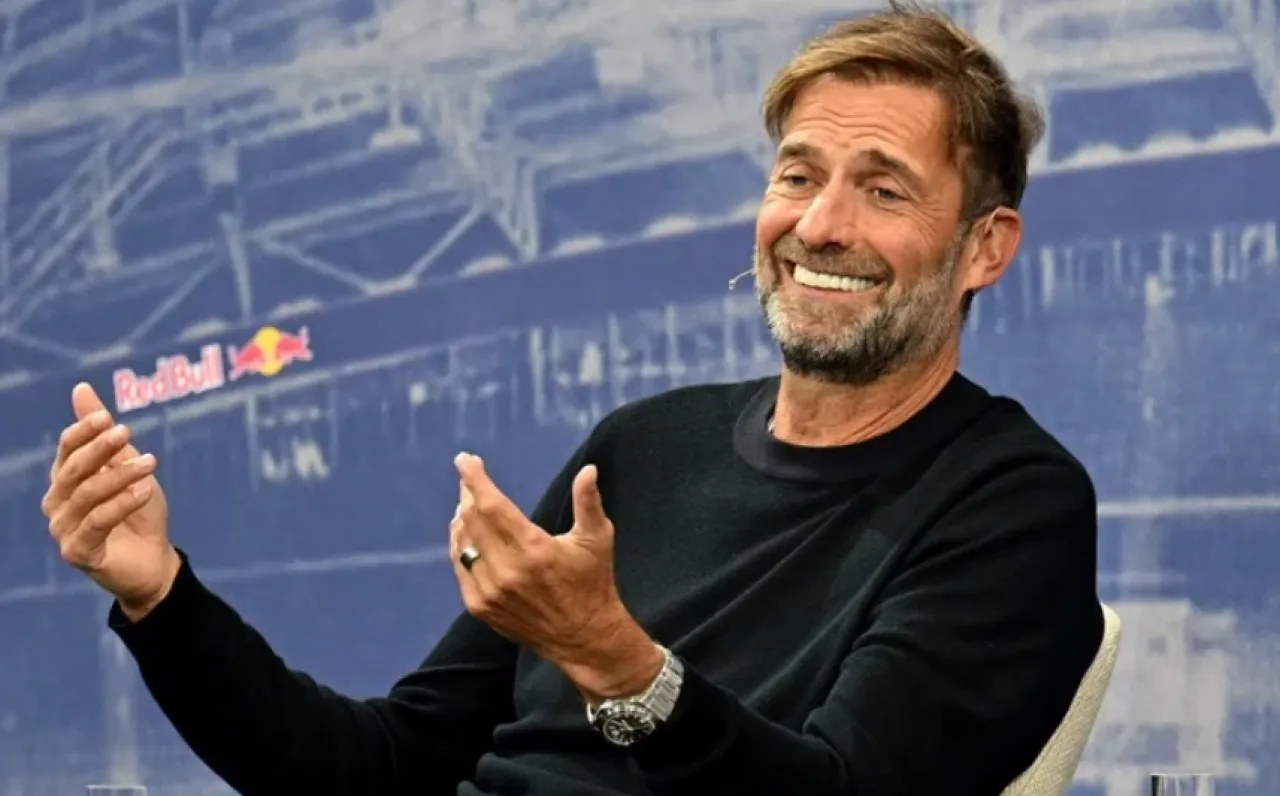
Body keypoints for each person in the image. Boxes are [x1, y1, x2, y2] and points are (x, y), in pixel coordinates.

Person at [40, 3, 1104, 795]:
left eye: (882, 188)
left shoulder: (1011, 505)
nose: (820, 225)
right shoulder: (644, 446)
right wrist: (161, 596)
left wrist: (611, 660)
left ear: (984, 247)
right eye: (796, 175)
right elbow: (379, 768)